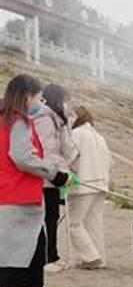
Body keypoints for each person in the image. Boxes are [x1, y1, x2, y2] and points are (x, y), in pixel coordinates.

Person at [0, 74, 72, 287]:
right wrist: (53, 172)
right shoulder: (17, 121)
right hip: (17, 194)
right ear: (27, 96)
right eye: (39, 97)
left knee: (35, 245)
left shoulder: (4, 119)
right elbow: (22, 157)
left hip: (9, 192)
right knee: (16, 249)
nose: (40, 102)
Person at [32, 83, 78, 273]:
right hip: (46, 177)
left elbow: (64, 146)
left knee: (51, 218)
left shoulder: (55, 119)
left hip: (51, 176)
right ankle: (48, 257)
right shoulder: (44, 118)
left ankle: (50, 255)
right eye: (65, 101)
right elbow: (47, 150)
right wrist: (58, 174)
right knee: (47, 219)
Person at [68, 106, 112, 269]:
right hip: (101, 183)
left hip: (84, 184)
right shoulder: (99, 137)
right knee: (93, 222)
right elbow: (110, 160)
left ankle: (91, 257)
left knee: (74, 223)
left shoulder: (76, 134)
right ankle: (99, 258)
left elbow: (69, 157)